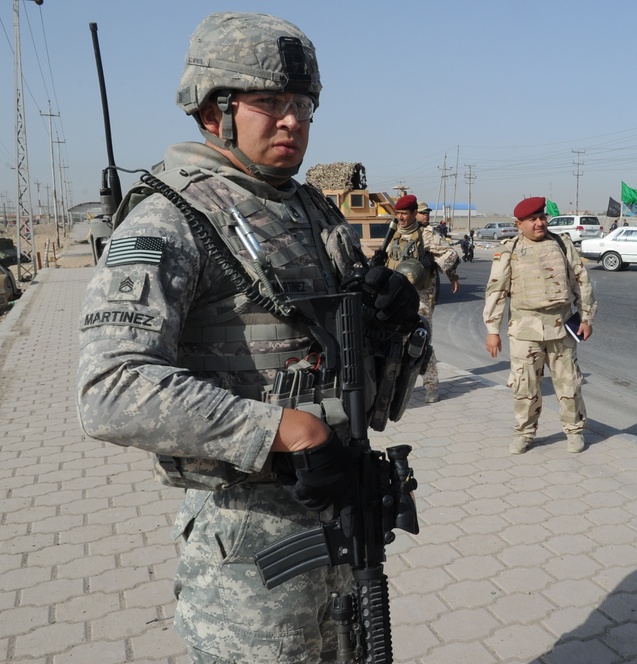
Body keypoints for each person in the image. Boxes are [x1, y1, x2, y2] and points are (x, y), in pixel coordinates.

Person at [76, 13, 421, 662]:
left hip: (340, 515)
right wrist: (284, 429)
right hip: (251, 551)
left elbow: (352, 371)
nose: (293, 120)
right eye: (271, 102)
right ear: (215, 111)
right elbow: (109, 389)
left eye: (303, 104)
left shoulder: (309, 209)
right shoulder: (170, 216)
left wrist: (395, 323)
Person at [483, 196, 597, 454]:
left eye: (542, 218)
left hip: (562, 326)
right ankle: (524, 433)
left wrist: (587, 317)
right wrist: (492, 330)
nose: (539, 223)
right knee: (525, 386)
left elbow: (581, 281)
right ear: (518, 224)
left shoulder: (562, 244)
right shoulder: (508, 250)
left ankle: (574, 431)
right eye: (532, 219)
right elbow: (496, 291)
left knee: (569, 384)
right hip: (524, 330)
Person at [385, 194, 460, 403]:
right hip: (397, 294)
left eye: (404, 214)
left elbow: (451, 255)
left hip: (420, 296)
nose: (400, 217)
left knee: (421, 338)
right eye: (398, 213)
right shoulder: (394, 232)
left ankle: (431, 385)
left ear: (414, 214)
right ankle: (397, 386)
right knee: (396, 340)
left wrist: (430, 264)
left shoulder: (426, 234)